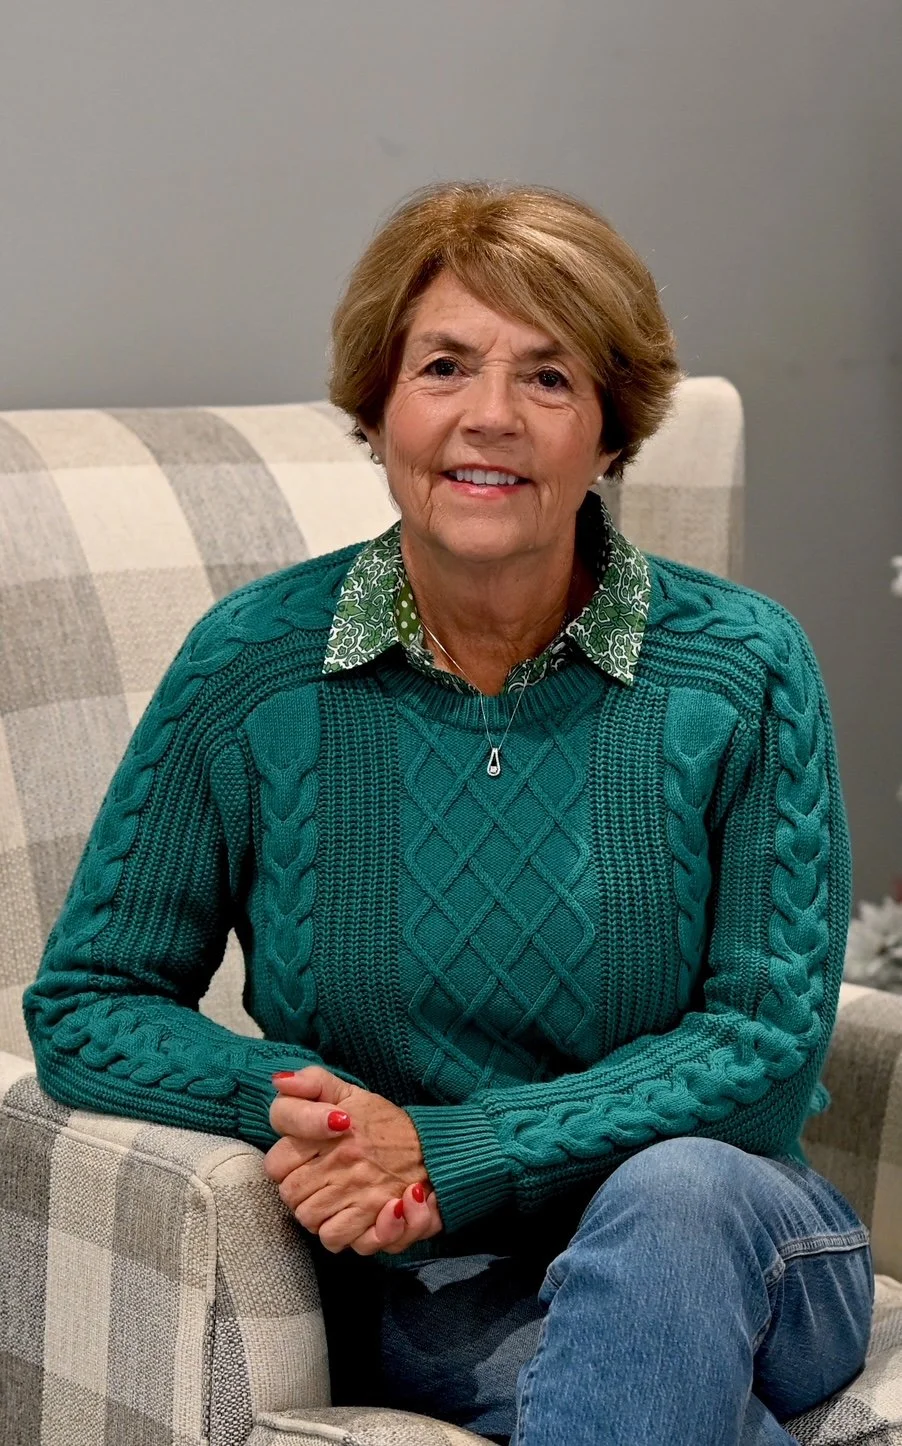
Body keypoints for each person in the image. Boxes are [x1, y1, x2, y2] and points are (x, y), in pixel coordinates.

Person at [23, 182, 873, 1445]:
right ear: (376, 411)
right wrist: (296, 1104)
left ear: (610, 429)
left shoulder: (740, 667)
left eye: (546, 378)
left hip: (752, 1247)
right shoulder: (251, 668)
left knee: (677, 1192)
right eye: (443, 367)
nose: (490, 416)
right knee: (642, 1385)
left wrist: (449, 1144)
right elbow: (90, 1000)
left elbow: (758, 1049)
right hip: (439, 1291)